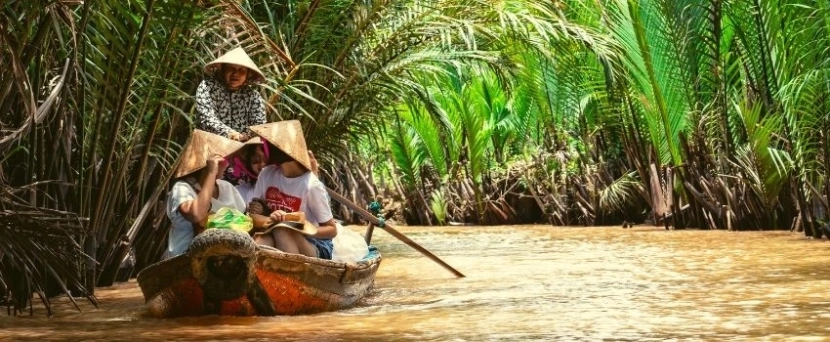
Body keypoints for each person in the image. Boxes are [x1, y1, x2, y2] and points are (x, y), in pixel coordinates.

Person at [246, 120, 337, 259]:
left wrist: (302, 227)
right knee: (263, 239)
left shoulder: (311, 185)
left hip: (315, 243)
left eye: (269, 145)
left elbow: (331, 229)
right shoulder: (266, 174)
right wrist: (272, 219)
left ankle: (293, 276)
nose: (264, 149)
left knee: (282, 230)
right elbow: (253, 215)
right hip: (274, 232)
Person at [164, 130, 247, 259]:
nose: (228, 164)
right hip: (184, 259)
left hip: (225, 258)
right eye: (224, 159)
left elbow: (245, 220)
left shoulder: (227, 187)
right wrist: (211, 172)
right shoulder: (182, 188)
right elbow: (197, 214)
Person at [196, 46, 266, 143]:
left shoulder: (253, 96)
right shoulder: (208, 87)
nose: (235, 74)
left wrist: (254, 144)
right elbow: (205, 118)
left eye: (241, 70)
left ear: (247, 74)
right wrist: (231, 134)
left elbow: (259, 126)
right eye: (231, 68)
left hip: (242, 147)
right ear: (223, 70)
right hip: (210, 144)